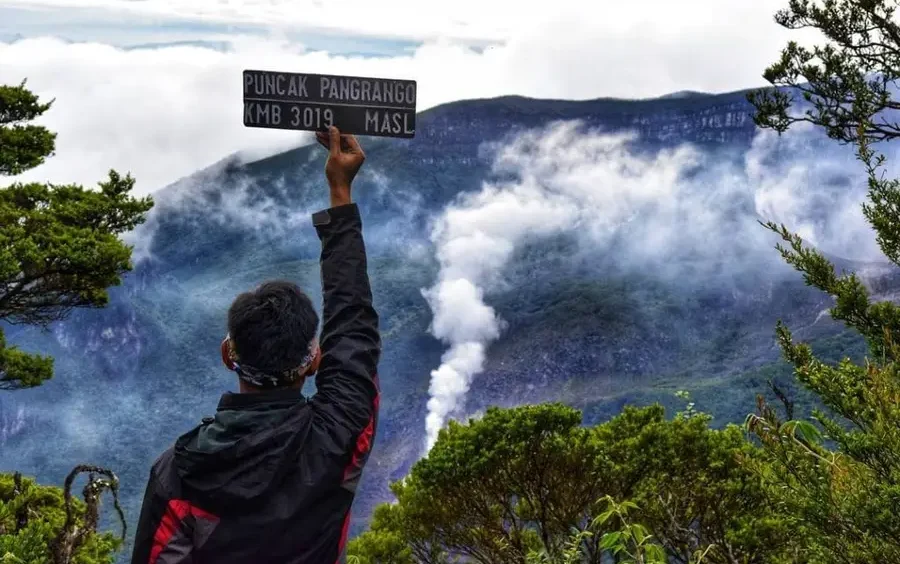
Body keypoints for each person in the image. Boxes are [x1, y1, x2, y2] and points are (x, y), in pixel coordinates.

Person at [130, 126, 381, 564]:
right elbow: (353, 323)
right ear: (313, 361)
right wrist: (340, 190)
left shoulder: (178, 473)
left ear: (229, 355)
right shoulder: (339, 433)